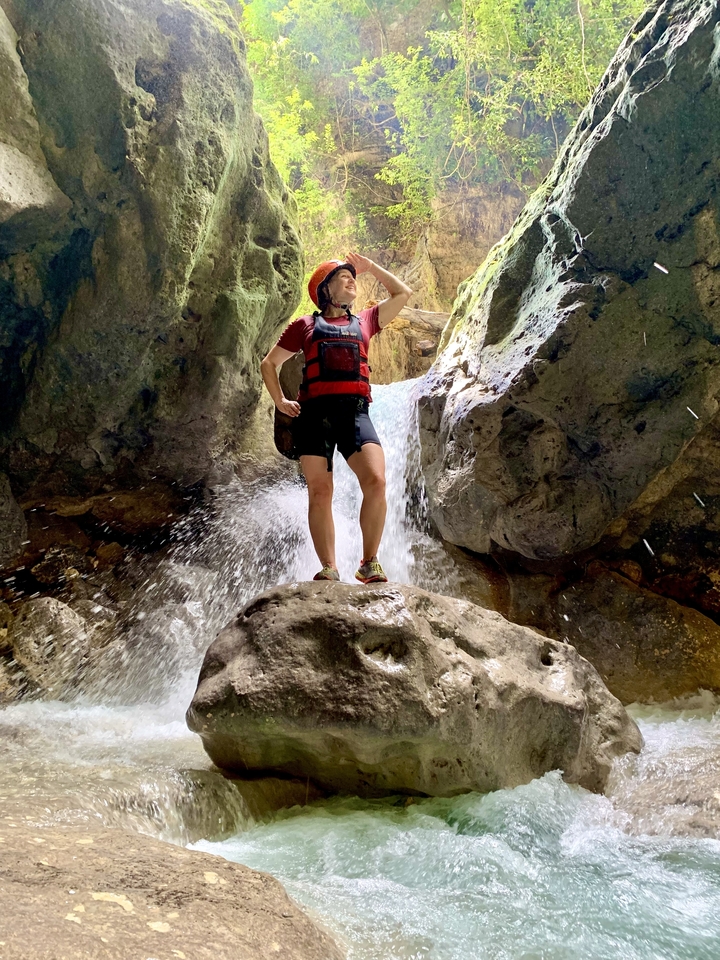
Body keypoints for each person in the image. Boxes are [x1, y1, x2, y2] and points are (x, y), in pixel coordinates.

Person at [261, 252, 412, 583]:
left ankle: (369, 562)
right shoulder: (304, 325)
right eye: (342, 278)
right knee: (320, 491)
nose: (351, 280)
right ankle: (329, 567)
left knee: (376, 481)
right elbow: (269, 363)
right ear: (325, 291)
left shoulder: (367, 322)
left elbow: (402, 295)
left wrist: (370, 267)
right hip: (314, 417)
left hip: (355, 413)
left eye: (352, 276)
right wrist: (280, 400)